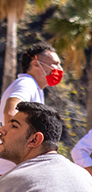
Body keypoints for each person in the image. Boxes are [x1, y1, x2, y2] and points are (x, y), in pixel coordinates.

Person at [0, 43, 63, 175]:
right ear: (36, 64)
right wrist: (19, 151)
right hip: (8, 170)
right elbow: (10, 110)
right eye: (55, 64)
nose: (59, 69)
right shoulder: (27, 84)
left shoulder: (34, 87)